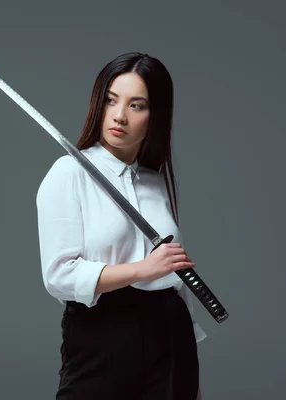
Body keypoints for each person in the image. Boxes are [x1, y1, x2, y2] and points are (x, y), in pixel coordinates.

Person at [35, 52, 207, 400]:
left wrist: (191, 376)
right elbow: (59, 276)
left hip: (170, 338)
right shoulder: (68, 173)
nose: (118, 116)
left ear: (156, 114)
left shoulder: (154, 182)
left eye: (136, 105)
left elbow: (173, 275)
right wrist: (141, 270)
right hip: (103, 334)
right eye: (111, 100)